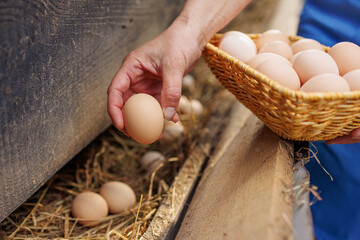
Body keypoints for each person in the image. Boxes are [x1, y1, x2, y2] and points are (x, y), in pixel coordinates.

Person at [108, 0, 360, 239]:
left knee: (344, 201)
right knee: (315, 201)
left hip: (336, 76)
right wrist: (188, 31)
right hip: (326, 35)